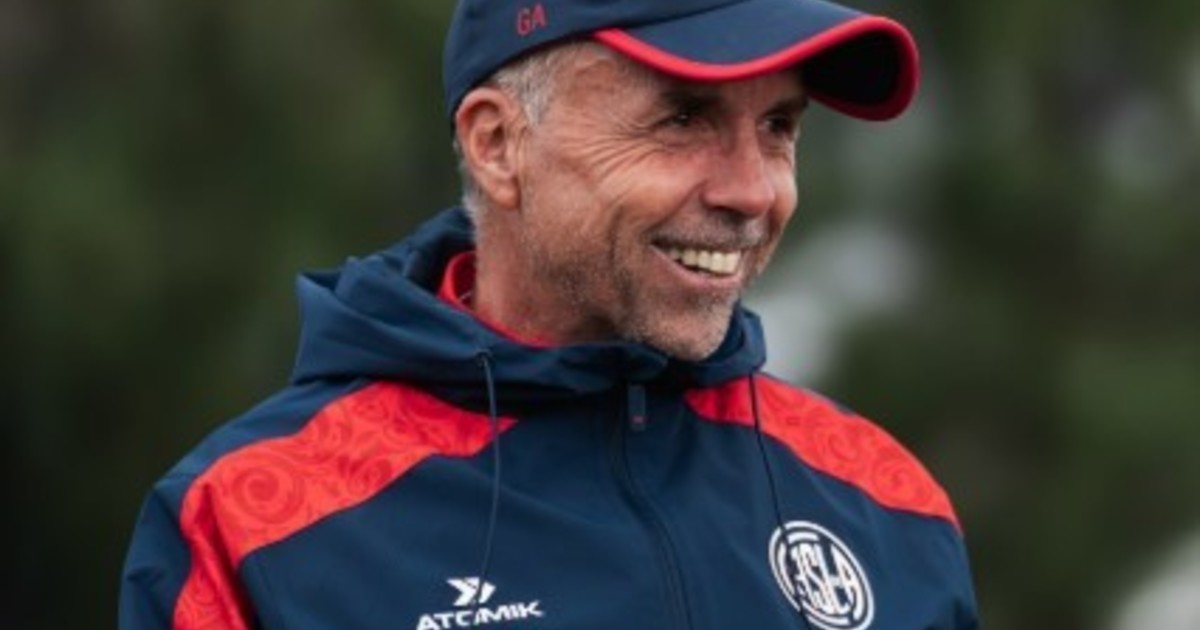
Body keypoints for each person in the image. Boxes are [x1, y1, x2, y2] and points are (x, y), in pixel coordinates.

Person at [120, 0, 978, 628]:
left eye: (780, 126)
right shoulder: (248, 524)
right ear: (498, 145)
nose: (752, 191)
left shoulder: (887, 504)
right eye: (683, 118)